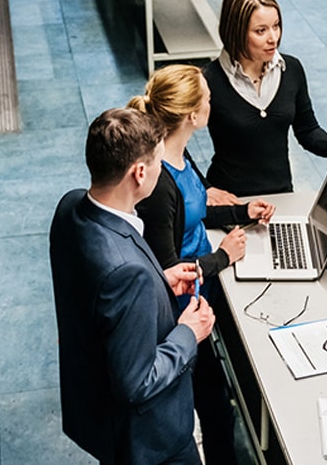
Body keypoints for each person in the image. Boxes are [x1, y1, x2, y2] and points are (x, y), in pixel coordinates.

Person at [49, 108, 216, 465]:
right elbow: (136, 383)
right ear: (139, 173)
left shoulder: (69, 207)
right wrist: (189, 332)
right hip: (150, 442)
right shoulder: (128, 274)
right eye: (158, 163)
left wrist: (160, 282)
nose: (162, 170)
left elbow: (98, 298)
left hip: (93, 406)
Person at [128, 64, 276, 464]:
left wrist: (243, 210)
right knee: (213, 404)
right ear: (192, 115)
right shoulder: (159, 184)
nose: (214, 103)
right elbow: (169, 270)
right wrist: (223, 256)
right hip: (183, 310)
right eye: (208, 99)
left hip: (206, 276)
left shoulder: (178, 151)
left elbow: (194, 212)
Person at [202, 0, 327, 198]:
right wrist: (206, 189)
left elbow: (307, 131)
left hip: (281, 197)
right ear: (236, 32)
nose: (273, 38)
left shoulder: (291, 70)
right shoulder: (208, 81)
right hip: (232, 201)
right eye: (260, 31)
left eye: (276, 26)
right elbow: (172, 148)